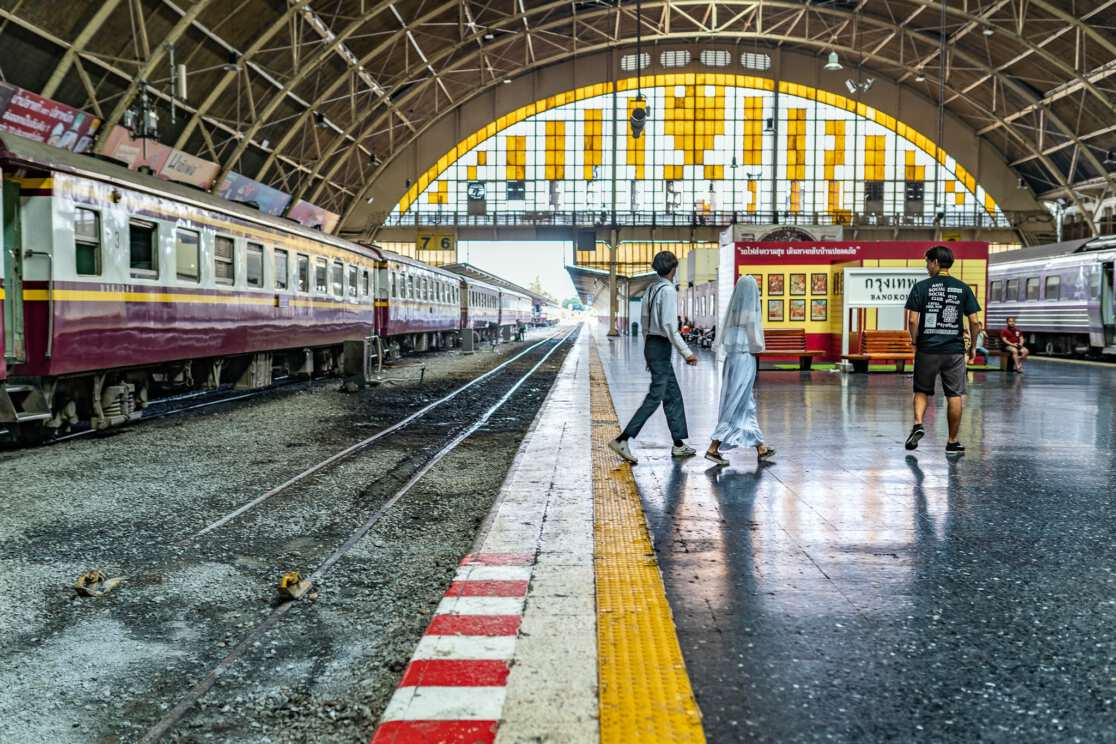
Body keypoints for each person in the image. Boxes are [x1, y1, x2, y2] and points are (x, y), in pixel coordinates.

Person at [609, 251, 698, 464]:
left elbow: (644, 321)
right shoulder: (667, 290)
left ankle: (678, 444)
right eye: (676, 268)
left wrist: (650, 352)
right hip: (660, 345)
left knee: (672, 395)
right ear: (672, 269)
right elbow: (669, 326)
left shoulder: (651, 288)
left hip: (652, 344)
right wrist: (687, 353)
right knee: (655, 397)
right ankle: (623, 439)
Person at [903, 245, 982, 455]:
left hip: (927, 349)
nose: (927, 267)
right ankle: (952, 441)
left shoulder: (921, 287)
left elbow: (912, 319)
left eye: (927, 262)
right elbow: (975, 323)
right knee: (954, 395)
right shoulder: (963, 288)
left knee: (921, 390)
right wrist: (973, 346)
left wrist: (915, 341)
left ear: (936, 262)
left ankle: (919, 424)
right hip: (954, 351)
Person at [705, 275, 775, 466]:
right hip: (745, 359)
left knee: (744, 402)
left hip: (732, 360)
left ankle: (761, 447)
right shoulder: (750, 314)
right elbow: (756, 343)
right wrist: (760, 347)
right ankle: (713, 446)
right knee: (737, 401)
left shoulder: (733, 312)